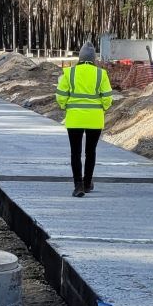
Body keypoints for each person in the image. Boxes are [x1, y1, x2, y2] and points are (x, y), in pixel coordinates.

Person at [55, 40, 113, 197]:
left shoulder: (69, 73)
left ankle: (78, 186)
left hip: (74, 119)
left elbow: (60, 96)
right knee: (90, 152)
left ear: (79, 58)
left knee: (75, 152)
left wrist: (65, 106)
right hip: (95, 119)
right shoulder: (101, 74)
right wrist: (102, 108)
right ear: (94, 59)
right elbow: (107, 97)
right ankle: (88, 183)